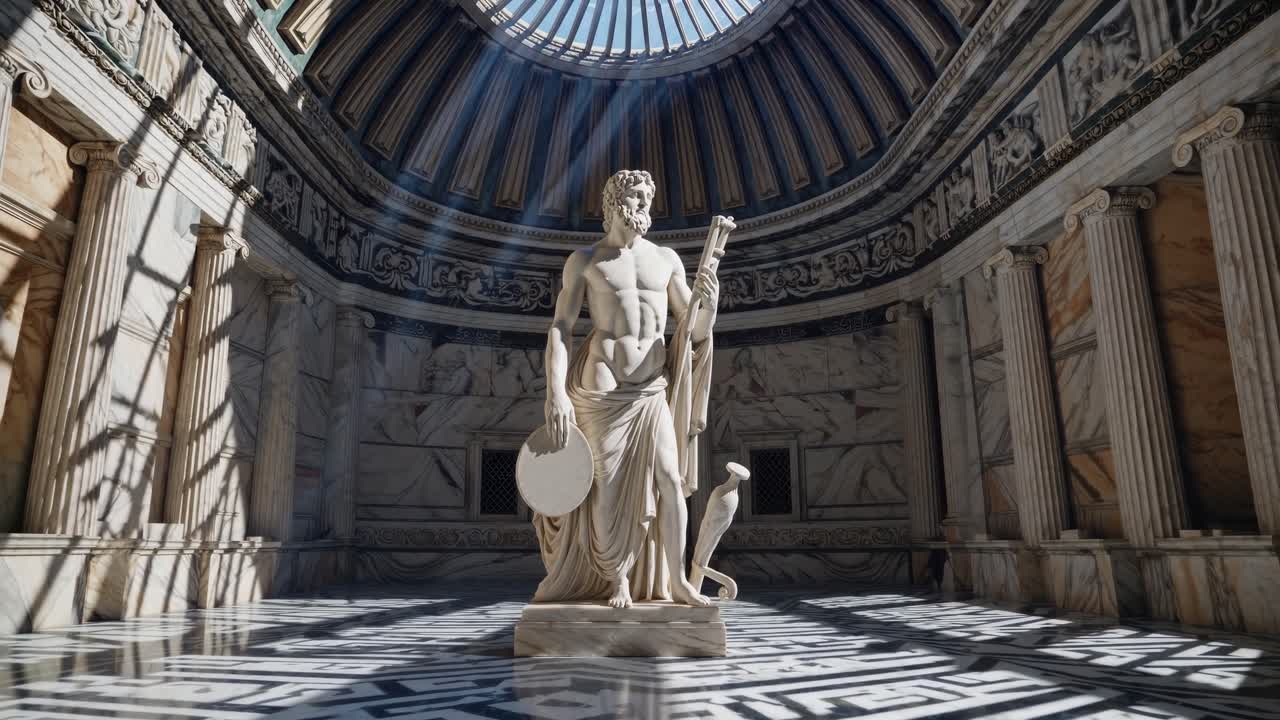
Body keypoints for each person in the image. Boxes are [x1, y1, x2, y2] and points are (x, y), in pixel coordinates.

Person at [534, 169, 719, 609]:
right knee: (608, 485)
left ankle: (677, 581)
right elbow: (561, 328)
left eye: (647, 198)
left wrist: (709, 305)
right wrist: (555, 391)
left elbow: (692, 331)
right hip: (602, 384)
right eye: (636, 197)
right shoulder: (586, 260)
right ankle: (616, 577)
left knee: (670, 481)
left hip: (652, 386)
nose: (644, 207)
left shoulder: (667, 260)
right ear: (614, 201)